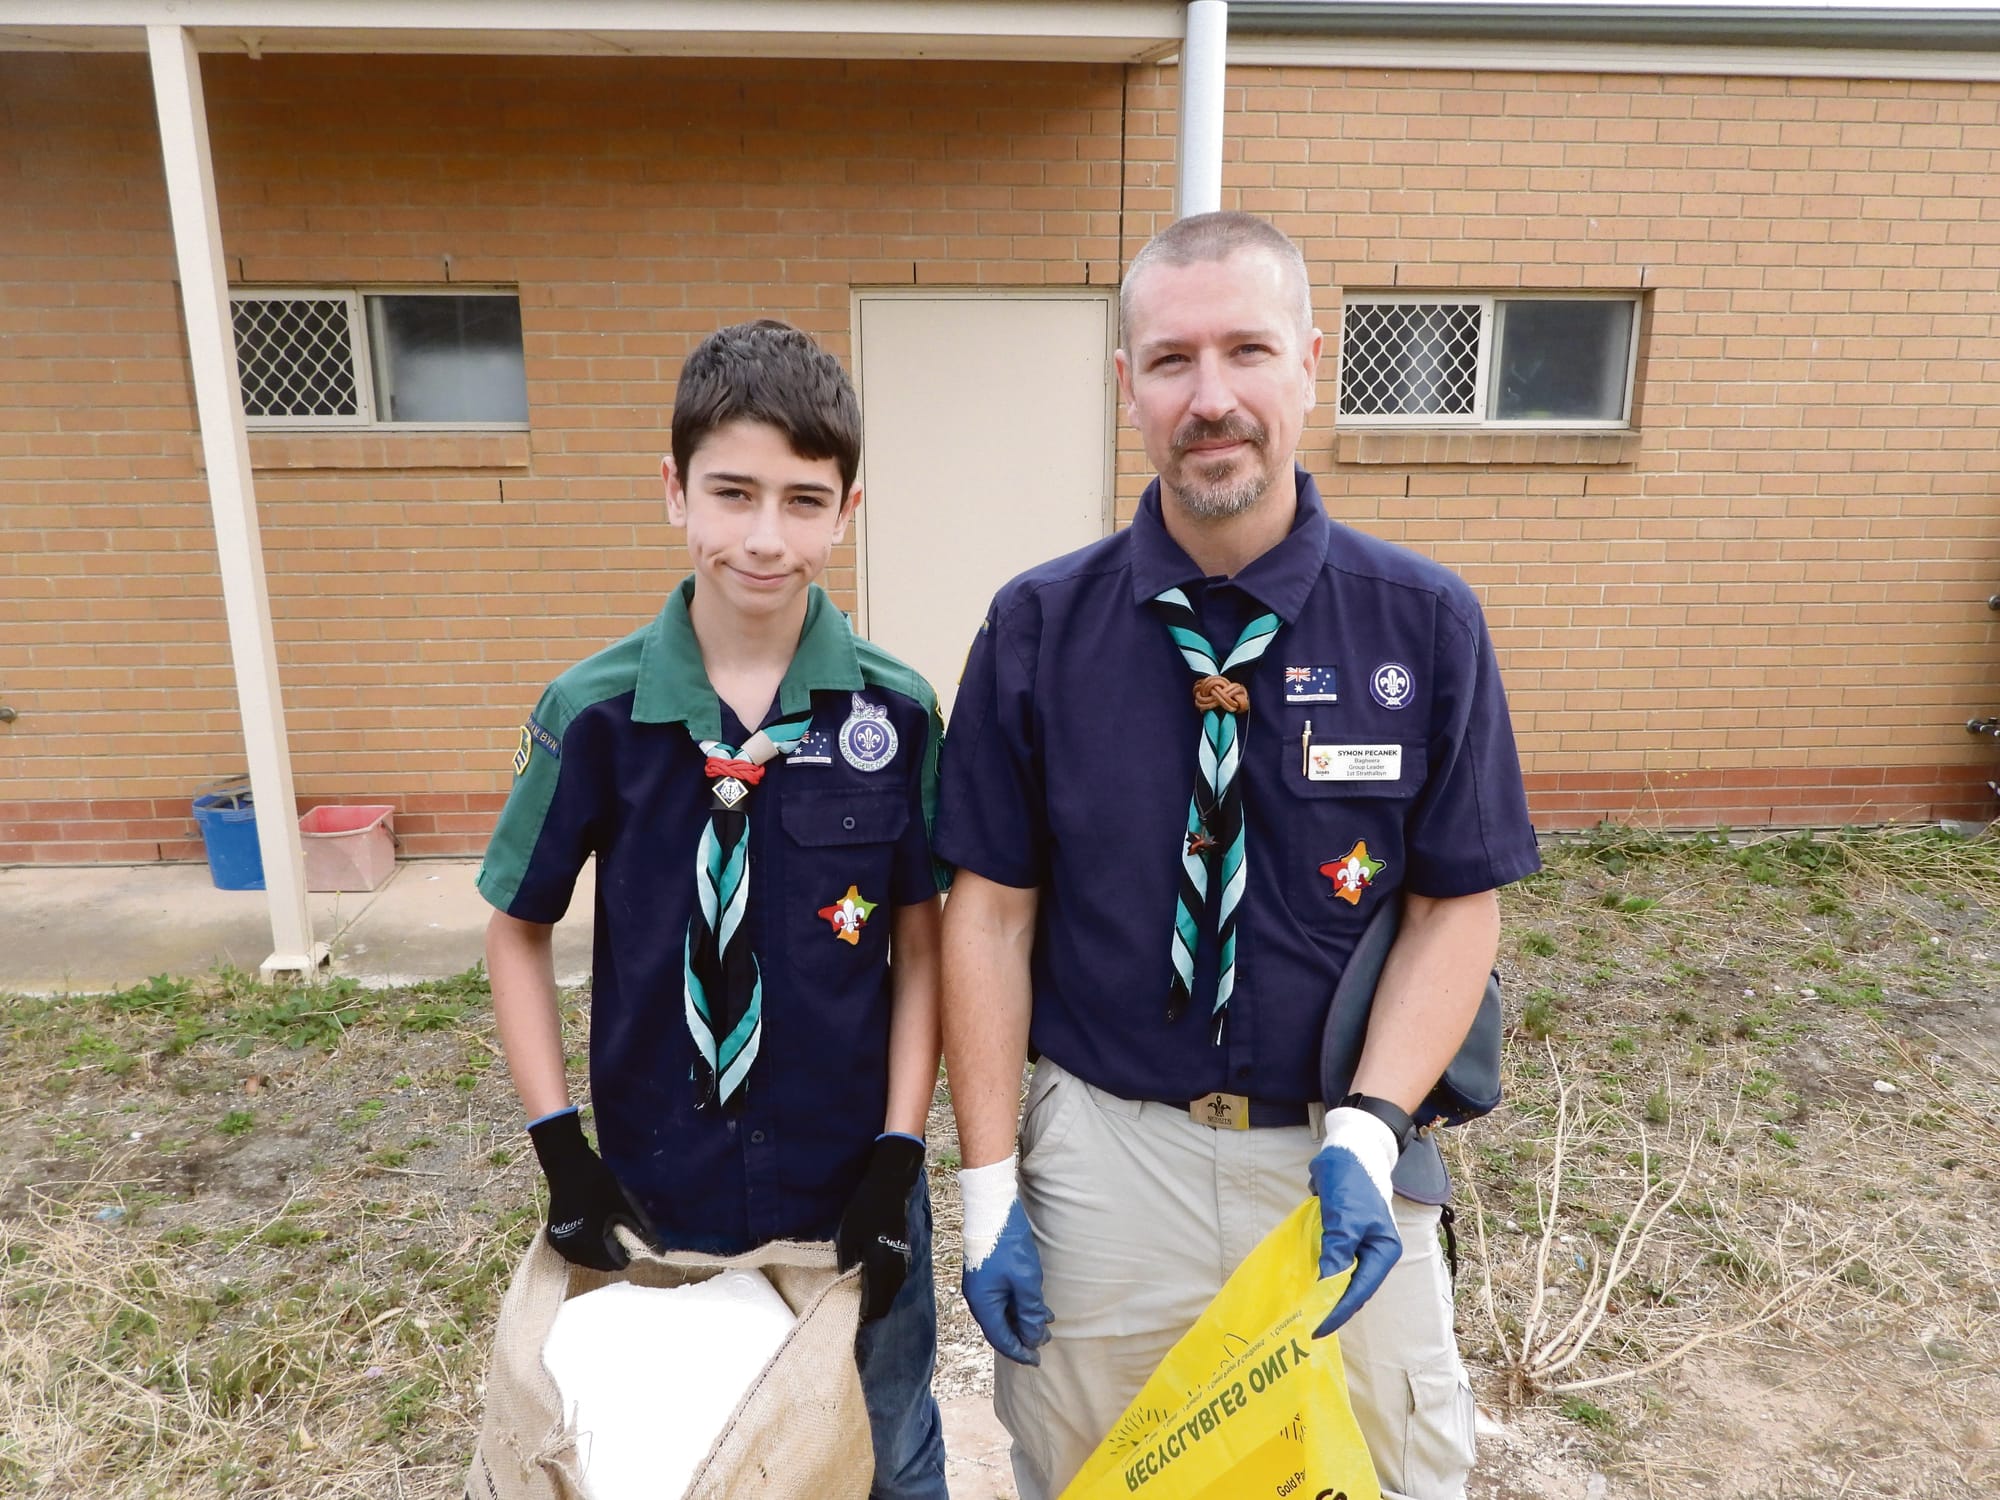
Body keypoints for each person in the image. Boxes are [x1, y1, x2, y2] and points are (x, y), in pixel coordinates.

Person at [935, 212, 1541, 1500]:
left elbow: (1454, 908)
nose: (1210, 400)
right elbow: (983, 918)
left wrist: (1372, 1134)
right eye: (1169, 362)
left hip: (1339, 1161)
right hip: (1107, 1156)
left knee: (1383, 1477)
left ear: (1310, 364)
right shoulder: (1037, 627)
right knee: (1097, 1474)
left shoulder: (1423, 622)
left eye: (1246, 351)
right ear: (1126, 389)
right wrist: (988, 1191)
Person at [478, 319, 950, 1499]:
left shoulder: (893, 715)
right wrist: (561, 1154)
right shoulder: (593, 714)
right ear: (673, 493)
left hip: (848, 1193)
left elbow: (923, 942)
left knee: (886, 1449)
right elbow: (515, 926)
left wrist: (897, 1157)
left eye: (801, 500)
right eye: (730, 492)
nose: (762, 536)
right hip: (659, 1189)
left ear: (846, 510)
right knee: (682, 1456)